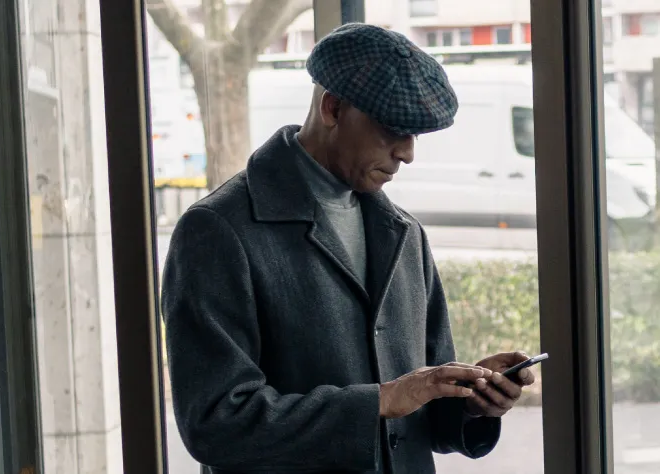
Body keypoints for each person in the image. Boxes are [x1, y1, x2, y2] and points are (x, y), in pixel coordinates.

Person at [161, 23, 536, 474]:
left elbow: (415, 412)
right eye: (393, 129)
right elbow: (216, 423)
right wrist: (381, 400)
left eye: (416, 135)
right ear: (333, 107)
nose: (408, 153)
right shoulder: (217, 230)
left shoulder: (405, 233)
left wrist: (469, 401)